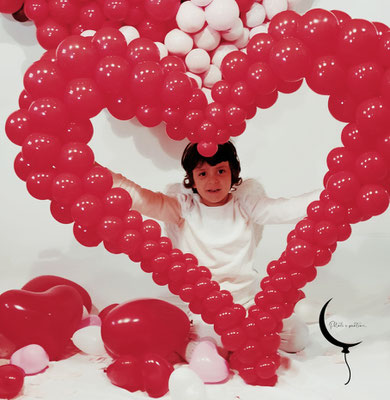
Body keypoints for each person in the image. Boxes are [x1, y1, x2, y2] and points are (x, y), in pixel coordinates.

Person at [111, 141, 320, 359]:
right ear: (191, 178)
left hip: (246, 302)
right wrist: (104, 177)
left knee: (298, 337)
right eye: (202, 174)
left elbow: (286, 209)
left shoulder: (245, 206)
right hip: (204, 306)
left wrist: (333, 193)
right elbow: (143, 199)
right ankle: (187, 344)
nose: (213, 180)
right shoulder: (183, 209)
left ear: (233, 173)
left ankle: (215, 342)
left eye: (221, 171)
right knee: (219, 344)